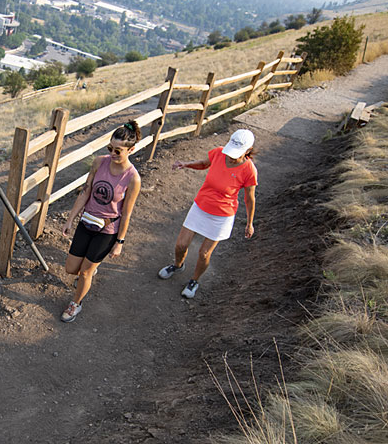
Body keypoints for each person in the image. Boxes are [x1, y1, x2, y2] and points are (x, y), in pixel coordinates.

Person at [157, 128, 257, 299]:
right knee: (181, 245)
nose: (231, 156)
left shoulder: (249, 171)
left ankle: (194, 280)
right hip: (201, 206)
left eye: (237, 154)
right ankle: (178, 265)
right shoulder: (219, 153)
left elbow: (250, 199)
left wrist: (249, 223)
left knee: (204, 253)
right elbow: (204, 163)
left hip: (222, 215)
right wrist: (186, 164)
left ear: (247, 151)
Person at [59, 121, 143, 322]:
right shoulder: (99, 162)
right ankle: (89, 269)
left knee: (85, 273)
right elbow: (86, 191)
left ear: (131, 150)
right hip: (87, 221)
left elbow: (127, 213)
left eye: (118, 151)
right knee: (71, 269)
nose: (113, 154)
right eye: (110, 149)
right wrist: (70, 220)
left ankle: (75, 304)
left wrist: (119, 243)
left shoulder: (133, 178)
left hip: (107, 230)